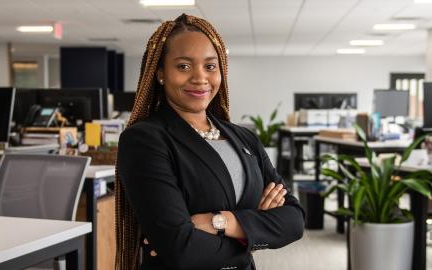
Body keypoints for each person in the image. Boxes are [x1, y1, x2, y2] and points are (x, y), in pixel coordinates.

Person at [116, 14, 305, 270]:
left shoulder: (243, 137)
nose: (200, 78)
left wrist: (223, 222)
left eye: (210, 66)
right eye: (183, 66)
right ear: (160, 73)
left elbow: (294, 220)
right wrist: (254, 233)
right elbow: (182, 250)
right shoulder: (145, 140)